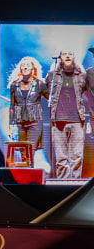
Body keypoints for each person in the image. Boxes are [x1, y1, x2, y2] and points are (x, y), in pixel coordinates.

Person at [44, 50, 90, 180]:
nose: (68, 56)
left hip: (77, 121)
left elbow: (88, 94)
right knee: (61, 158)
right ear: (60, 58)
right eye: (65, 54)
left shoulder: (81, 75)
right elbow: (46, 90)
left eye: (70, 54)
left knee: (76, 157)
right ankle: (63, 185)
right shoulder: (53, 75)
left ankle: (75, 186)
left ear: (74, 57)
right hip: (58, 121)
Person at [8, 55, 47, 159]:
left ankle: (29, 172)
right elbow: (12, 105)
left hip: (35, 122)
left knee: (30, 150)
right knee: (23, 152)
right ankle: (26, 173)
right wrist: (10, 125)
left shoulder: (39, 83)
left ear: (33, 68)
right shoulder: (14, 85)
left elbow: (51, 99)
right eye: (23, 65)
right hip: (20, 123)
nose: (25, 67)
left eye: (27, 65)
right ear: (20, 69)